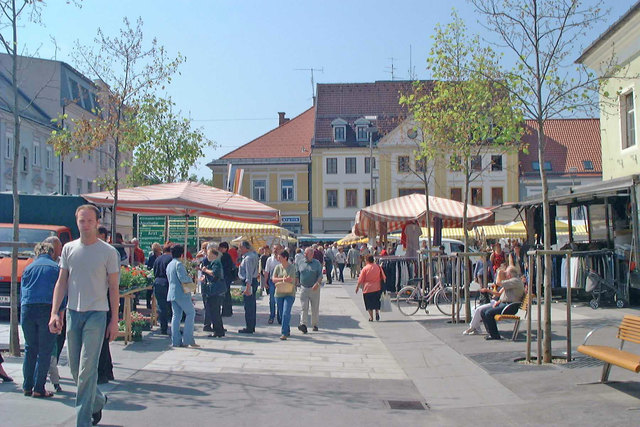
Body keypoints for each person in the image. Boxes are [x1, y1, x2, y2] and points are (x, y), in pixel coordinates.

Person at [49, 204, 120, 427]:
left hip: (97, 314)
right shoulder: (69, 249)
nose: (86, 225)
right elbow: (62, 282)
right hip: (73, 313)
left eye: (90, 221)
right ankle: (97, 400)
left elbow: (114, 288)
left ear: (98, 223)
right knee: (74, 368)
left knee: (87, 369)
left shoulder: (108, 252)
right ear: (76, 222)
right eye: (82, 221)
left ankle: (82, 422)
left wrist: (115, 321)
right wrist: (54, 312)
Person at [21, 241, 60, 398]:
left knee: (30, 348)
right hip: (47, 308)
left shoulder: (28, 267)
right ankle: (39, 388)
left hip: (27, 308)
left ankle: (27, 386)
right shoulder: (55, 268)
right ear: (51, 253)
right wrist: (59, 315)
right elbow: (60, 292)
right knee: (45, 350)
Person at [167, 244, 199, 348]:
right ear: (181, 254)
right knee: (190, 313)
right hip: (181, 293)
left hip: (172, 293)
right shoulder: (179, 265)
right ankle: (188, 339)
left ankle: (175, 341)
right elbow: (183, 278)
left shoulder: (170, 264)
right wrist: (191, 280)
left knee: (176, 316)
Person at [42, 236, 64, 392]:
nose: (61, 249)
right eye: (59, 247)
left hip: (41, 308)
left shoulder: (35, 263)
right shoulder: (56, 266)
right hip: (52, 309)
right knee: (52, 345)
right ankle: (53, 379)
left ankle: (38, 380)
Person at [481, 266, 525, 341]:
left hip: (511, 307)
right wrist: (499, 301)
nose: (505, 275)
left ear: (510, 274)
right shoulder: (512, 281)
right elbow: (503, 294)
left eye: (506, 273)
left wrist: (499, 273)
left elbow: (498, 283)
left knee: (488, 313)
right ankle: (491, 332)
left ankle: (495, 335)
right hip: (506, 304)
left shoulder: (515, 281)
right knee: (483, 311)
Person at [463, 269, 506, 335]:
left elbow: (498, 294)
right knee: (473, 308)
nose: (496, 277)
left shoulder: (504, 285)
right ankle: (477, 329)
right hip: (492, 301)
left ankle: (471, 327)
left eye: (498, 275)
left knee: (479, 310)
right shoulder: (497, 285)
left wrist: (487, 290)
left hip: (496, 303)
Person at [200, 247, 226, 338]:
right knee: (214, 311)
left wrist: (205, 270)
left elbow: (214, 273)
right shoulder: (214, 262)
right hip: (215, 290)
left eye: (209, 254)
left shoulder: (216, 262)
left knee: (214, 311)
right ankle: (219, 330)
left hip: (215, 290)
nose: (207, 256)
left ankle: (218, 330)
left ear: (214, 255)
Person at [272, 250, 297, 340]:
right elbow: (273, 279)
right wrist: (283, 279)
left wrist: (282, 279)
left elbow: (290, 279)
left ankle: (284, 333)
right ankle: (287, 328)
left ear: (285, 257)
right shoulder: (277, 267)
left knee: (286, 313)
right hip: (279, 293)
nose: (278, 258)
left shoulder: (291, 267)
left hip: (289, 293)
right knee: (281, 313)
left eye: (280, 257)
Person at [297, 247, 323, 334]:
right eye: (304, 253)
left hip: (314, 288)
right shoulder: (300, 262)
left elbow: (320, 275)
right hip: (303, 288)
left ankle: (314, 324)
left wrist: (317, 283)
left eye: (306, 254)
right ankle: (303, 324)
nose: (305, 255)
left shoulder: (317, 263)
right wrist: (296, 283)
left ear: (311, 254)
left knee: (314, 307)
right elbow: (297, 273)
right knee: (304, 307)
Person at [356, 255, 386, 321]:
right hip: (377, 287)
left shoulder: (365, 268)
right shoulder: (378, 267)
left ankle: (371, 317)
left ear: (367, 260)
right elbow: (384, 277)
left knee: (369, 304)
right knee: (376, 302)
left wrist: (357, 287)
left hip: (367, 289)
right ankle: (377, 312)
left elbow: (360, 279)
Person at [238, 241, 259, 334]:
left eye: (241, 248)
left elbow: (249, 273)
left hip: (249, 282)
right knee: (251, 305)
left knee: (249, 306)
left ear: (245, 248)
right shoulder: (253, 256)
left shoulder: (248, 258)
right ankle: (251, 325)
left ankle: (249, 327)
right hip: (252, 282)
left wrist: (247, 286)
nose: (239, 250)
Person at [153, 243, 174, 335]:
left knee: (161, 306)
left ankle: (163, 328)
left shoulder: (158, 259)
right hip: (167, 283)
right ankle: (173, 328)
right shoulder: (171, 259)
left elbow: (154, 271)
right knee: (172, 306)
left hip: (157, 282)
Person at [264, 244, 282, 324]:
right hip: (272, 282)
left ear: (281, 250)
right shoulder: (270, 259)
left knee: (280, 300)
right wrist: (265, 282)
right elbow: (267, 272)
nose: (275, 250)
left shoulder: (283, 259)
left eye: (277, 249)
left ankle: (280, 316)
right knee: (272, 300)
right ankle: (271, 316)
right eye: (274, 248)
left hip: (281, 282)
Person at [218, 242, 234, 317]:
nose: (221, 249)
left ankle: (226, 311)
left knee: (225, 294)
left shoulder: (226, 256)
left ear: (226, 248)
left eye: (222, 247)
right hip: (226, 277)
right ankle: (227, 311)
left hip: (226, 277)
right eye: (220, 247)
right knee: (226, 294)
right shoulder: (223, 255)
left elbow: (225, 268)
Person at [145, 243, 162, 309]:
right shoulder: (151, 257)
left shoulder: (161, 256)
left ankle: (156, 305)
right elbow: (149, 266)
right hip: (152, 275)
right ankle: (148, 303)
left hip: (159, 275)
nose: (156, 253)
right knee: (149, 290)